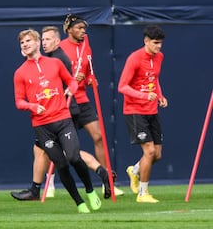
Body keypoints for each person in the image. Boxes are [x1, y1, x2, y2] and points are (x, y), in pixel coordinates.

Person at [10, 26, 113, 201]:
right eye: (22, 42)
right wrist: (32, 106)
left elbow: (71, 81)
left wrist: (72, 88)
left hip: (63, 113)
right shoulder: (23, 71)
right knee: (52, 155)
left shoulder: (57, 60)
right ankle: (40, 189)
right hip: (44, 120)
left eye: (29, 41)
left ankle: (98, 174)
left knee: (70, 155)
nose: (25, 44)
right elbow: (19, 100)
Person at [59, 14, 124, 196]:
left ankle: (107, 182)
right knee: (62, 144)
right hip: (66, 101)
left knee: (98, 137)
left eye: (84, 29)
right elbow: (55, 75)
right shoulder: (61, 48)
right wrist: (72, 79)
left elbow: (88, 73)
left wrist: (90, 80)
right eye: (78, 28)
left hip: (83, 100)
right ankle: (47, 185)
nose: (82, 31)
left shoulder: (87, 47)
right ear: (69, 29)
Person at [118, 24, 168, 203]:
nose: (159, 46)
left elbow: (154, 79)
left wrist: (160, 96)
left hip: (151, 110)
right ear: (146, 41)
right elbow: (122, 86)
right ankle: (143, 193)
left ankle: (135, 171)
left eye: (161, 43)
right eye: (155, 43)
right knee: (149, 151)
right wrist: (144, 95)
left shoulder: (159, 57)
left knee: (157, 154)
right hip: (134, 111)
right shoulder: (135, 58)